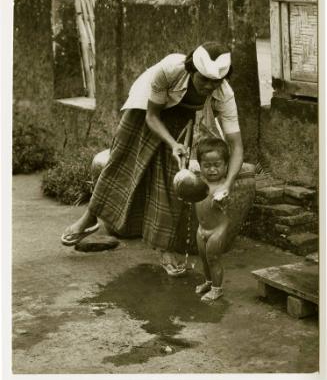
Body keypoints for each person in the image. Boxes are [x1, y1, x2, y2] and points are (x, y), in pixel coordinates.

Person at [60, 41, 243, 276]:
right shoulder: (169, 70)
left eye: (215, 81)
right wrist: (173, 143)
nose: (209, 86)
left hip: (182, 115)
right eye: (204, 79)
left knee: (171, 178)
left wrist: (227, 183)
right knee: (121, 162)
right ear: (192, 70)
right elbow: (153, 116)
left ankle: (164, 247)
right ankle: (89, 218)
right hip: (146, 108)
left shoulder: (224, 94)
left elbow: (236, 146)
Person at [194, 136, 233, 301]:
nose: (212, 170)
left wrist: (223, 200)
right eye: (207, 166)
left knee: (214, 259)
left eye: (217, 165)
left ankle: (217, 289)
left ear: (225, 166)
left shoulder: (223, 187)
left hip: (218, 230)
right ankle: (209, 282)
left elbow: (229, 204)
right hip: (201, 228)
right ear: (200, 166)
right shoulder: (200, 182)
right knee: (204, 258)